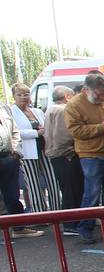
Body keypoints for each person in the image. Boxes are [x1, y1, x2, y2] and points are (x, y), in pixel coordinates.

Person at [65, 73, 104, 242]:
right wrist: (102, 126)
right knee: (92, 193)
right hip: (91, 155)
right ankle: (85, 227)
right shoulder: (74, 105)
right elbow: (75, 131)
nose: (102, 97)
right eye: (98, 94)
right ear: (86, 90)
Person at [10, 83, 58, 213]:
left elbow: (47, 126)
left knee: (53, 179)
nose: (23, 97)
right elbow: (15, 132)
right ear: (14, 96)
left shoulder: (36, 111)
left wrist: (44, 130)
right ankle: (39, 212)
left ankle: (56, 210)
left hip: (44, 148)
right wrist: (36, 133)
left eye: (26, 94)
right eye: (19, 94)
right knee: (33, 183)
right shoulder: (11, 113)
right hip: (27, 151)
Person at [43, 85, 82, 231]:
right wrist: (71, 151)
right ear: (67, 96)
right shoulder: (62, 110)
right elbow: (64, 135)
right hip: (66, 155)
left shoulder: (51, 110)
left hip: (57, 155)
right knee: (71, 189)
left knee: (67, 189)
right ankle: (71, 224)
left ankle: (71, 222)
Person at [0, 107, 44, 236]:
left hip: (8, 157)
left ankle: (19, 228)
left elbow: (15, 132)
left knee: (12, 195)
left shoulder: (4, 110)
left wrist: (15, 151)